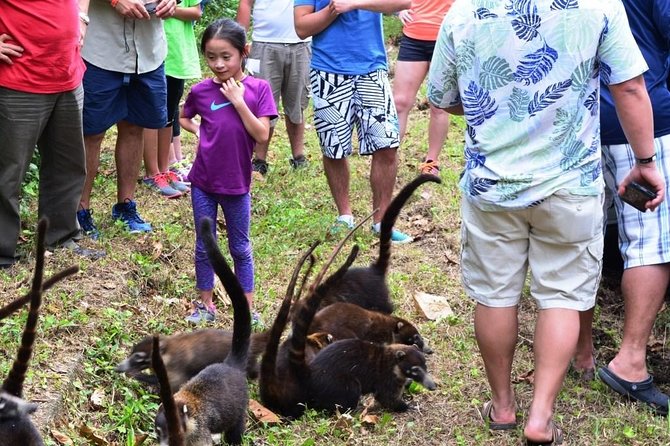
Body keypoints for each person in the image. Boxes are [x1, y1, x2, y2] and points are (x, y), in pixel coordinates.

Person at [427, 1, 665, 444]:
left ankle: (501, 407)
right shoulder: (599, 7)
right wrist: (646, 161)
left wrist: (499, 104)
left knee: (495, 295)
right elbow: (631, 88)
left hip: (492, 186)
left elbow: (444, 97)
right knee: (561, 295)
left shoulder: (463, 12)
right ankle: (540, 417)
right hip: (570, 185)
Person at [573, 0, 670, 416]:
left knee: (583, 235)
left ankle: (581, 352)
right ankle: (630, 360)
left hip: (575, 121)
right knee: (649, 241)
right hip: (641, 120)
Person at [179, 18, 277, 324]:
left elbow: (262, 134)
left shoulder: (258, 89)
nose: (219, 64)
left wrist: (238, 102)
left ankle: (246, 307)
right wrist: (197, 131)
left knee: (240, 246)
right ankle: (204, 304)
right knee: (204, 244)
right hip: (203, 181)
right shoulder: (201, 91)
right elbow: (184, 117)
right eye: (211, 57)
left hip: (236, 184)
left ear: (243, 52)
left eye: (226, 57)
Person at [294, 0, 413, 243]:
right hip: (327, 70)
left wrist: (356, 3)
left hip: (372, 67)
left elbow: (403, 2)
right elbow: (301, 27)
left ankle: (382, 222)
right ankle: (344, 216)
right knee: (333, 148)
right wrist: (333, 9)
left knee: (387, 145)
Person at [0, 0, 104, 268]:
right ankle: (2, 252)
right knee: (8, 172)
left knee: (67, 165)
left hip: (67, 73)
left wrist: (82, 18)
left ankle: (61, 237)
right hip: (17, 78)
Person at [76, 0, 177, 239]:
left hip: (148, 50)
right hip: (100, 49)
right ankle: (80, 211)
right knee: (91, 132)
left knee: (135, 126)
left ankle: (126, 206)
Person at [236, 0, 311, 176]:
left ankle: (298, 157)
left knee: (297, 102)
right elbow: (245, 3)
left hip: (302, 43)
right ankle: (259, 160)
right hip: (263, 43)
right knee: (261, 105)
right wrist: (238, 42)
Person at [142, 0, 201, 198]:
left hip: (177, 56)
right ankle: (152, 173)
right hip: (153, 52)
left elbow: (196, 11)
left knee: (168, 112)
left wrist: (171, 9)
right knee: (152, 114)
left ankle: (164, 169)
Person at [393, 0, 452, 176]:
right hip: (413, 37)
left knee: (439, 105)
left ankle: (431, 163)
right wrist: (398, 10)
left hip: (444, 39)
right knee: (400, 103)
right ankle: (389, 157)